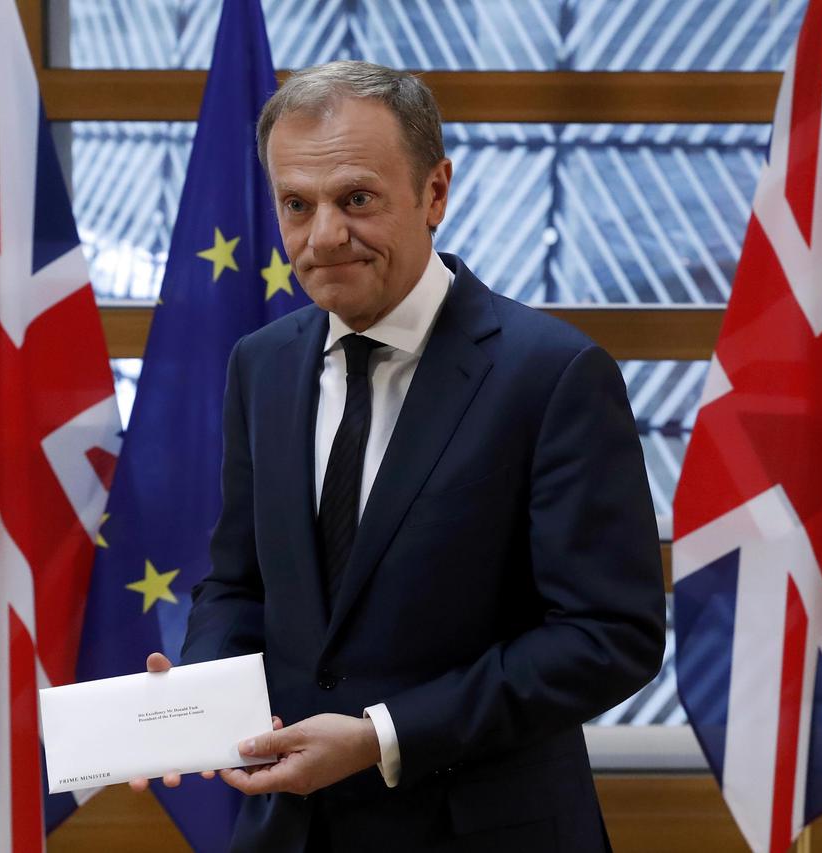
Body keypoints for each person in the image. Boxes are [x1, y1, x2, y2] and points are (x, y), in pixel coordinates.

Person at [134, 60, 666, 852]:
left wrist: (382, 734)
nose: (323, 237)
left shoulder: (552, 374)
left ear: (435, 192)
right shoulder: (262, 364)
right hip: (291, 833)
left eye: (356, 199)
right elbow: (241, 581)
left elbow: (608, 635)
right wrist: (200, 701)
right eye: (296, 204)